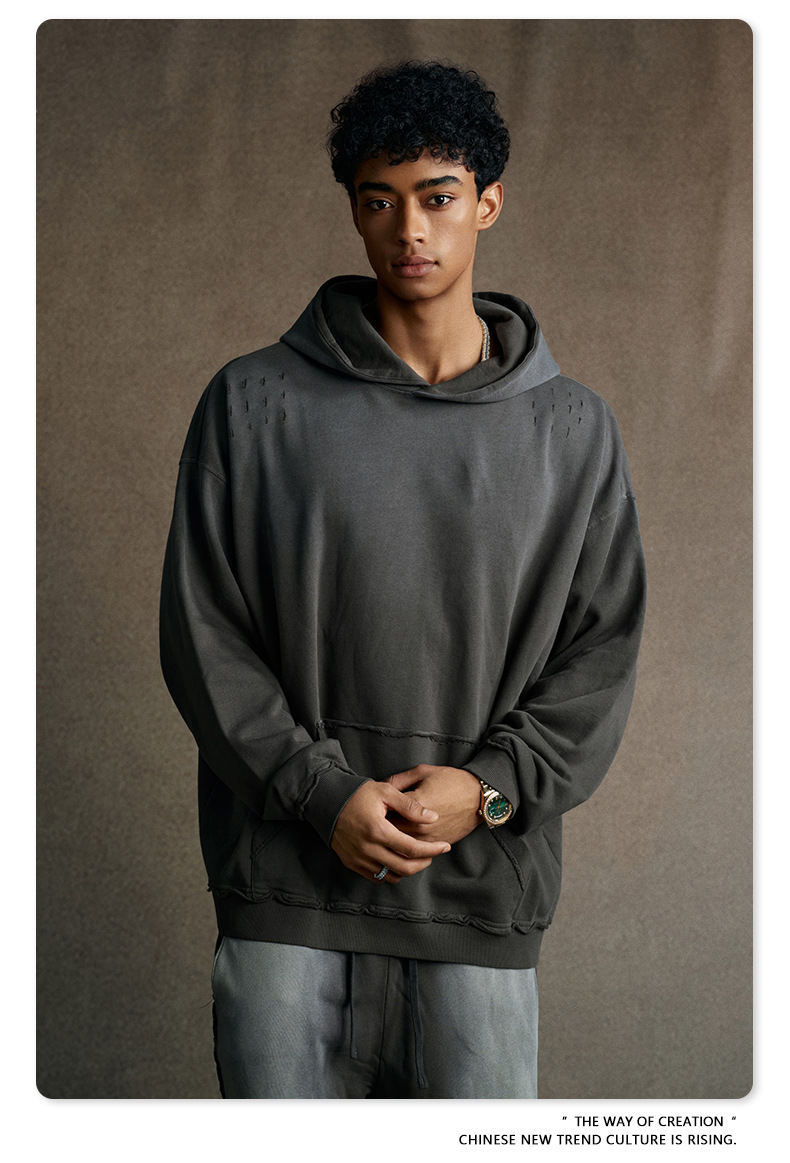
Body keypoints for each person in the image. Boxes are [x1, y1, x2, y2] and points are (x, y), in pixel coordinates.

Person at [159, 60, 646, 1100]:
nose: (409, 230)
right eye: (379, 201)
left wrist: (489, 787)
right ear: (353, 210)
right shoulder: (251, 403)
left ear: (488, 204)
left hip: (478, 901)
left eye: (437, 197)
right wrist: (318, 789)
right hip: (285, 893)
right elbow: (204, 634)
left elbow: (598, 654)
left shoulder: (572, 430)